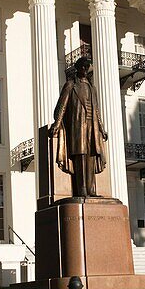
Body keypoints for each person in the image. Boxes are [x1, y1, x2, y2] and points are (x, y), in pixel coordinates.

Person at [50, 56, 108, 198]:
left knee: (92, 157)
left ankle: (91, 190)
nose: (85, 69)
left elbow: (96, 111)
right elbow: (62, 106)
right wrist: (57, 124)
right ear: (77, 68)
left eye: (87, 67)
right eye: (83, 67)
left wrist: (101, 128)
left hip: (91, 126)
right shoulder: (70, 85)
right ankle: (81, 189)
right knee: (81, 157)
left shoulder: (91, 88)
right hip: (77, 126)